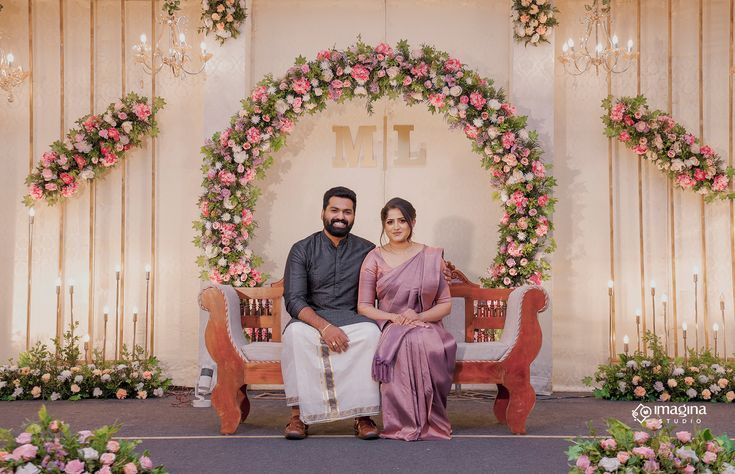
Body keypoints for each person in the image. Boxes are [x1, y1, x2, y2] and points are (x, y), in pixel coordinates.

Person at [281, 186, 381, 440]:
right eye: (335, 210)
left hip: (352, 319)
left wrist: (437, 269)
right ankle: (298, 416)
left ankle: (363, 416)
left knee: (371, 334)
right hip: (311, 320)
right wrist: (324, 327)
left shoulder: (368, 250)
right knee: (294, 335)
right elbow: (293, 300)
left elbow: (394, 276)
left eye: (347, 212)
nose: (341, 216)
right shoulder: (302, 249)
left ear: (354, 216)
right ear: (323, 212)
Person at [357, 197, 457, 441]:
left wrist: (419, 316)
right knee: (405, 343)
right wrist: (394, 317)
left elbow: (445, 304)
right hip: (391, 326)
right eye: (390, 221)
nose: (396, 226)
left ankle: (429, 420)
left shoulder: (431, 256)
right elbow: (364, 306)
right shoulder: (374, 258)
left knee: (425, 341)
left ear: (412, 221)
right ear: (383, 225)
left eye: (402, 220)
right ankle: (402, 421)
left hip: (428, 324)